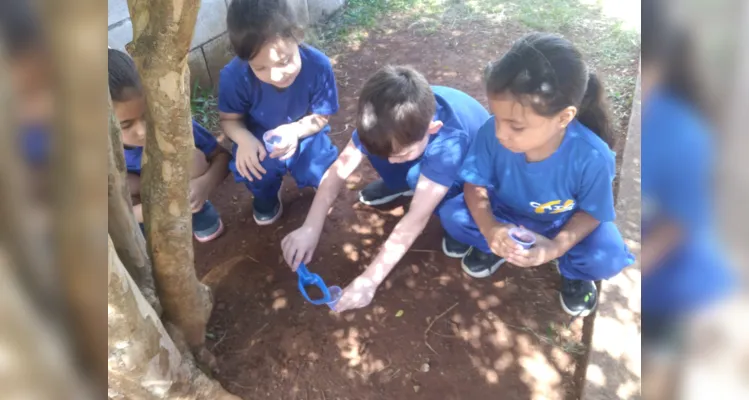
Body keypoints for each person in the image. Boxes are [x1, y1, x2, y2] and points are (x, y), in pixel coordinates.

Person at [439, 33, 635, 317]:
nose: (500, 133)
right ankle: (497, 246)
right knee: (452, 215)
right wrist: (490, 228)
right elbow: (474, 184)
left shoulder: (592, 156)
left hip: (563, 223)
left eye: (516, 126)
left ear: (564, 118)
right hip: (504, 211)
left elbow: (592, 213)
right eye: (497, 117)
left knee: (607, 257)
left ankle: (574, 274)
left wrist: (555, 247)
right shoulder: (492, 133)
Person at [282, 65, 490, 312]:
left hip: (472, 167)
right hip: (416, 142)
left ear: (432, 129)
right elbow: (338, 171)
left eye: (401, 155)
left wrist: (369, 280)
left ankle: (482, 241)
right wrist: (310, 227)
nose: (390, 162)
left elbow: (415, 218)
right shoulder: (381, 121)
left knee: (417, 179)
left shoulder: (449, 142)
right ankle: (402, 181)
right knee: (385, 151)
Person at [640, 0, 736, 397]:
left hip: (680, 285)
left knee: (660, 376)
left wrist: (632, 272)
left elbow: (677, 224)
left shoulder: (682, 132)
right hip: (650, 273)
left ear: (658, 66)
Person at [218, 0, 339, 225]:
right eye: (260, 68)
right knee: (254, 168)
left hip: (304, 131)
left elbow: (321, 116)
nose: (275, 76)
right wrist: (244, 140)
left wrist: (295, 131)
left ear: (298, 34)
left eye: (284, 61)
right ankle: (266, 195)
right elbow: (229, 119)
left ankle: (317, 181)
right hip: (258, 138)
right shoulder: (233, 77)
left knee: (319, 168)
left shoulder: (319, 66)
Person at [108, 48, 230, 242]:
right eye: (126, 125)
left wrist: (204, 185)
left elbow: (221, 155)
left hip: (178, 186)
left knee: (192, 159)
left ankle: (196, 211)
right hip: (145, 203)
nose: (143, 131)